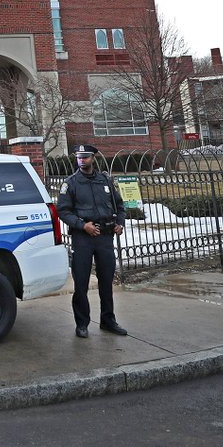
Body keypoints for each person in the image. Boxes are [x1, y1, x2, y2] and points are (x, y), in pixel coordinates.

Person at [56, 143, 128, 338]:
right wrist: (82, 225)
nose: (81, 160)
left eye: (85, 157)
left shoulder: (105, 180)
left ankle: (108, 320)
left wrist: (119, 223)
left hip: (105, 237)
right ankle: (82, 323)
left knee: (106, 282)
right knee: (81, 283)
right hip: (83, 239)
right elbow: (63, 210)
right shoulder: (70, 183)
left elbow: (119, 206)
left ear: (93, 158)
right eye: (79, 157)